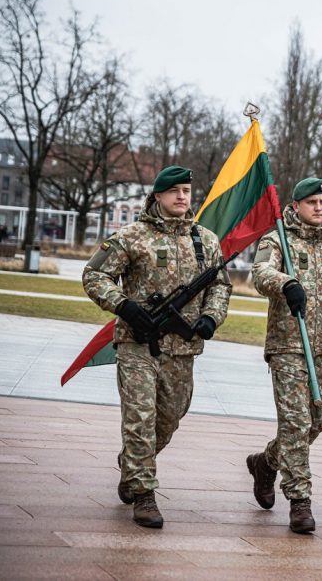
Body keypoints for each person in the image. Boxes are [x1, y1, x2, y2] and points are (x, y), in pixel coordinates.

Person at [83, 166, 231, 528]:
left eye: (186, 190)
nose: (182, 197)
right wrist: (124, 306)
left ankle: (132, 462)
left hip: (182, 348)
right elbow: (94, 275)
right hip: (137, 344)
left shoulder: (205, 240)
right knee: (140, 418)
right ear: (158, 196)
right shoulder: (132, 236)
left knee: (168, 421)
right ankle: (145, 494)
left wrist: (211, 317)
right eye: (175, 191)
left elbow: (220, 285)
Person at [245, 178, 322, 534]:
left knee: (318, 420)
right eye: (311, 202)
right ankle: (299, 499)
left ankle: (266, 462)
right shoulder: (279, 237)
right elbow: (260, 272)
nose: (319, 208)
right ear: (295, 205)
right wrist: (286, 284)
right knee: (295, 423)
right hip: (289, 345)